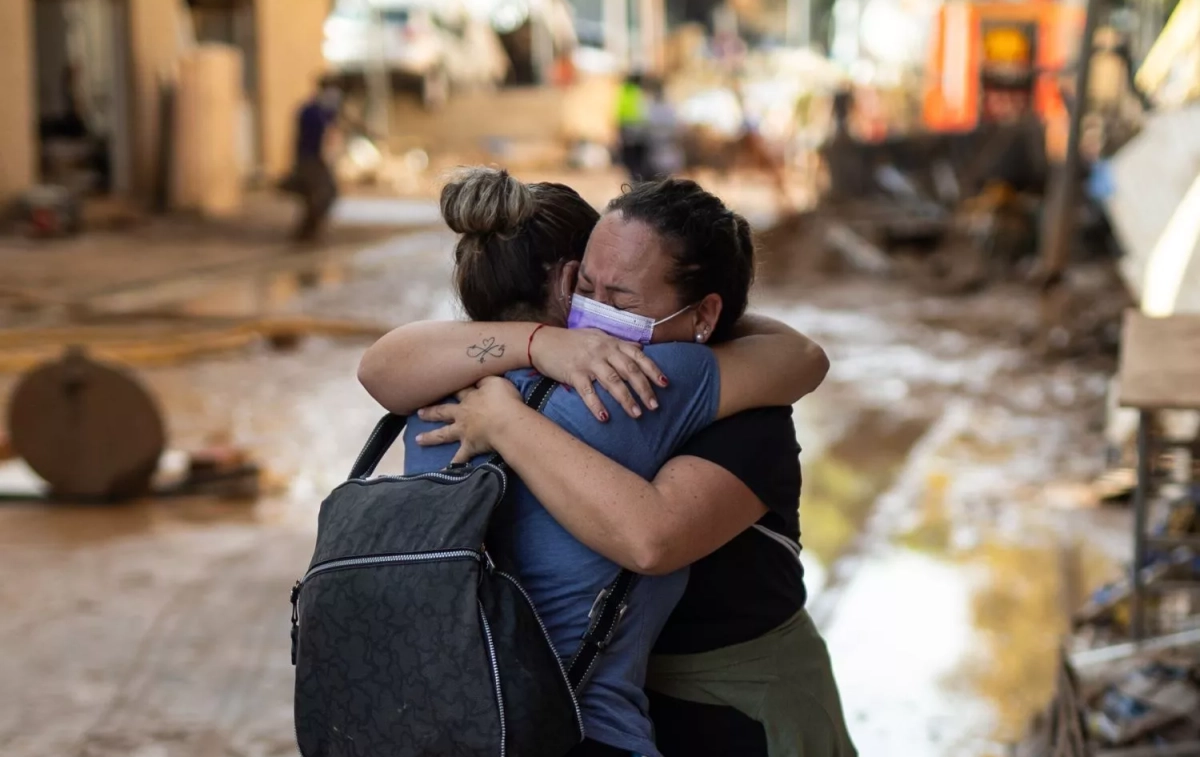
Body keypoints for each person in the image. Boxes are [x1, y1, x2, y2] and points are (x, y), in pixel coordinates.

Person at [376, 178, 857, 757]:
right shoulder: (589, 372)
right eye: (586, 287)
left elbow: (651, 537)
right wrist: (535, 344)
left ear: (704, 312)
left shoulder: (725, 405)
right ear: (565, 281)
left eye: (621, 300)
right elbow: (797, 352)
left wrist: (509, 411)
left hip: (735, 712)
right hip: (597, 711)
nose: (598, 314)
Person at [285, 77, 342, 242]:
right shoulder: (310, 111)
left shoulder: (327, 111)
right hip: (309, 160)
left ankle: (309, 232)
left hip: (321, 161)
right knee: (318, 196)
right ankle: (305, 233)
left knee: (326, 195)